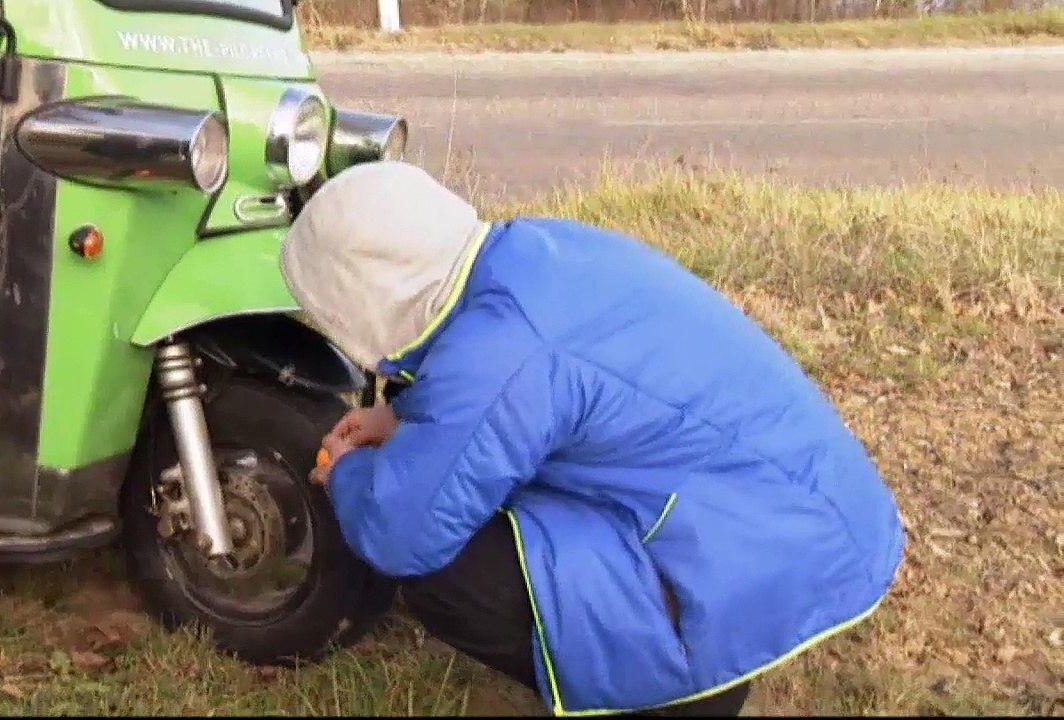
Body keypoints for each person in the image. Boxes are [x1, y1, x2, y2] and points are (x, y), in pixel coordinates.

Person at [283, 161, 905, 717]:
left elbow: (402, 533)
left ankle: (685, 691)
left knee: (444, 571)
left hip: (754, 566)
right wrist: (402, 419)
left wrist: (346, 474)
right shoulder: (533, 253)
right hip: (803, 509)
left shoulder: (499, 354)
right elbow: (531, 392)